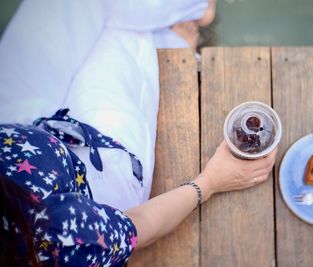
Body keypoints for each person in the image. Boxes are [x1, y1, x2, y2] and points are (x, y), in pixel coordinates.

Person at [0, 0, 277, 266]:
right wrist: (213, 180)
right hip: (97, 181)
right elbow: (140, 224)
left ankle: (178, 22)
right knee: (124, 37)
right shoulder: (61, 239)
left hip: (28, 135)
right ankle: (176, 35)